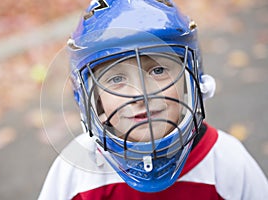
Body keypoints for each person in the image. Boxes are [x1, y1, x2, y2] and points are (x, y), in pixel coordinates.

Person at [38, 0, 268, 199]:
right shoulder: (74, 172)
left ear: (191, 78)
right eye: (117, 78)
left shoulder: (226, 162)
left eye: (158, 71)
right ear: (92, 98)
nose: (141, 94)